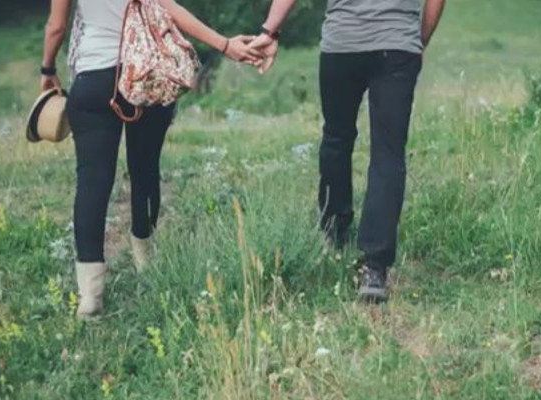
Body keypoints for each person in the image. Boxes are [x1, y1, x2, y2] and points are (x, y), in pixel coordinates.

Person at [41, 0, 262, 317]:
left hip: (94, 78)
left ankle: (91, 296)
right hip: (147, 72)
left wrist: (48, 69)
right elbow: (168, 8)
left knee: (92, 181)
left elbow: (57, 26)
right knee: (144, 170)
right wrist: (225, 45)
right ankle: (146, 263)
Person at [250, 0, 447, 303]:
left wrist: (269, 30)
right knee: (388, 153)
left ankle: (334, 233)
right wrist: (419, 39)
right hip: (397, 45)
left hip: (342, 44)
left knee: (337, 139)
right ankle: (375, 267)